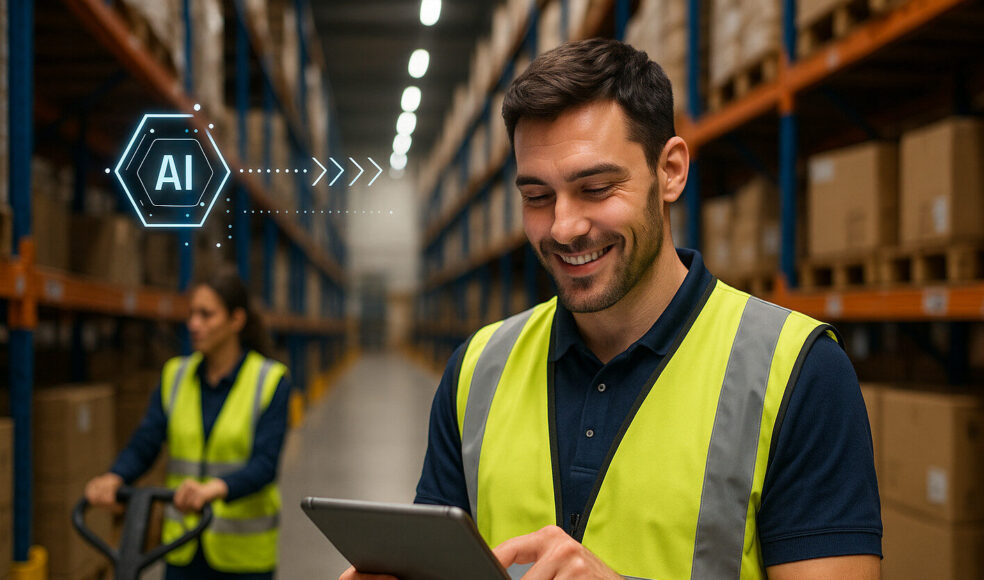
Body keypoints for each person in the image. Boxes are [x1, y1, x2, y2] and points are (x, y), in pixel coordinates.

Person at [342, 38, 881, 580]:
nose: (563, 227)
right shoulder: (476, 371)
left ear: (670, 171)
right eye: (536, 196)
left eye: (596, 188)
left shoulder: (796, 373)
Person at [86, 267, 292, 579]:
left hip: (243, 557)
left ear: (237, 320)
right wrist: (115, 477)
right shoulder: (175, 375)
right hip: (181, 548)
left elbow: (265, 464)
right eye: (192, 313)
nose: (193, 324)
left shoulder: (269, 380)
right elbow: (146, 441)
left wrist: (213, 490)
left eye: (206, 315)